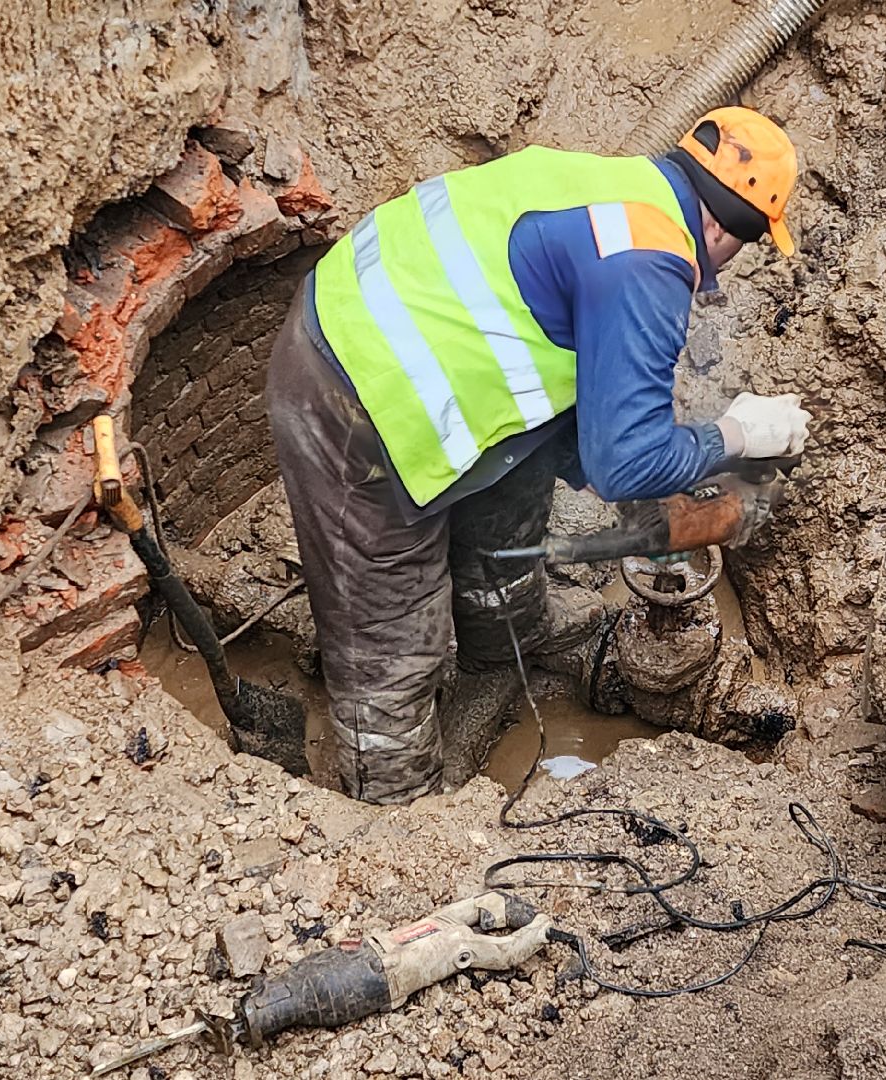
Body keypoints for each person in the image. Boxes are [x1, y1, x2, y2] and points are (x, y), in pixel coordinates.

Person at [265, 107, 811, 803]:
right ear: (722, 229)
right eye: (751, 243)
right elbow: (623, 461)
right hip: (350, 389)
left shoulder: (618, 187)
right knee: (390, 633)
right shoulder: (650, 263)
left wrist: (650, 484)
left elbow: (582, 394)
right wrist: (738, 435)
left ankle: (507, 644)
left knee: (514, 496)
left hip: (402, 325)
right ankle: (398, 812)